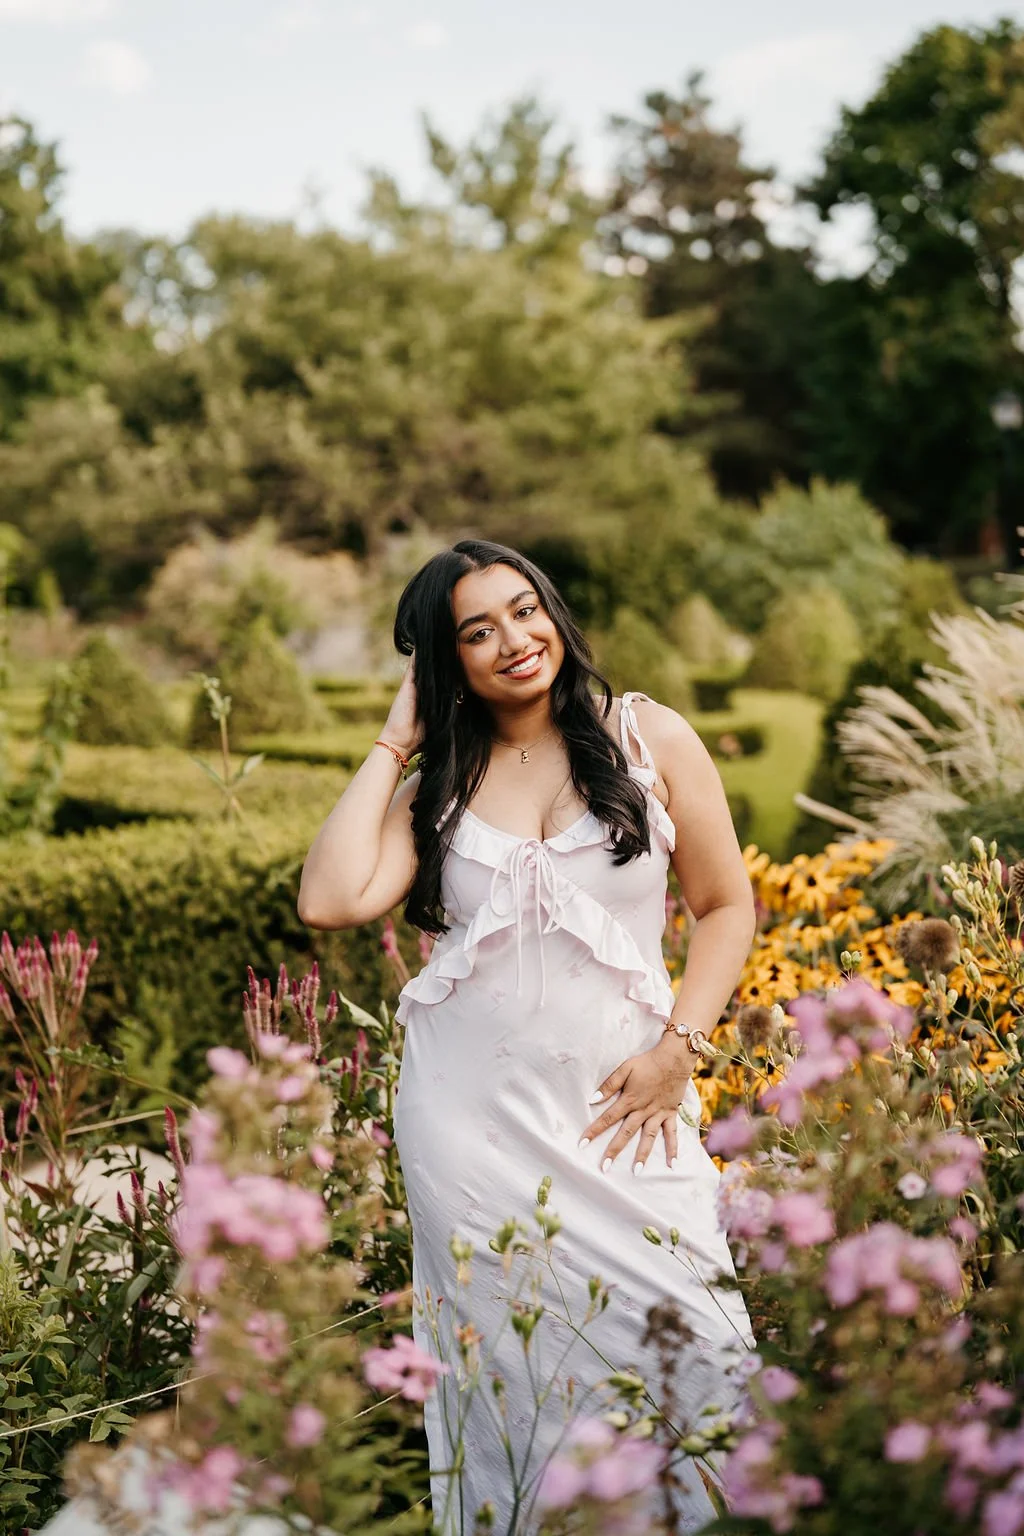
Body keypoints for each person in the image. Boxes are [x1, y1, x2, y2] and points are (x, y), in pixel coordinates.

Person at [298, 539, 756, 1534]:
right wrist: (392, 744)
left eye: (523, 609)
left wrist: (683, 1047)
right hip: (471, 1134)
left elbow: (725, 907)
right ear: (443, 661)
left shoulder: (647, 737)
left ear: (552, 609)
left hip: (628, 1116)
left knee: (706, 1357)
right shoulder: (440, 792)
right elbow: (330, 897)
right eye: (476, 630)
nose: (514, 639)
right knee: (513, 1388)